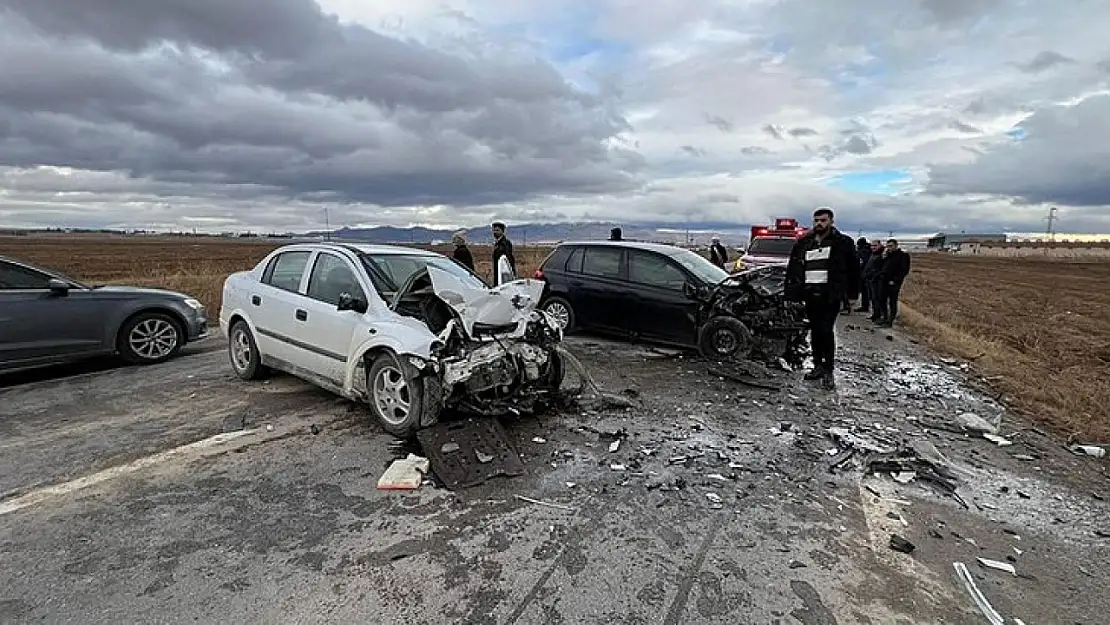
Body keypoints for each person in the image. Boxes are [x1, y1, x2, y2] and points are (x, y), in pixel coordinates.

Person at [785, 207, 861, 389]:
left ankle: (828, 370)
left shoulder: (843, 243)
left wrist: (852, 295)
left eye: (823, 220)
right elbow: (793, 269)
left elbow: (854, 270)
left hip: (830, 295)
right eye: (816, 220)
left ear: (831, 222)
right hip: (810, 295)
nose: (819, 223)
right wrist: (791, 294)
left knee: (826, 331)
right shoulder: (805, 242)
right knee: (815, 332)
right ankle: (817, 365)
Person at [876, 239, 911, 327]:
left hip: (893, 283)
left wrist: (895, 280)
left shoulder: (903, 256)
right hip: (883, 281)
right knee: (882, 300)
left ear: (896, 246)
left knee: (892, 302)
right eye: (888, 246)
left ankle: (890, 321)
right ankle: (884, 317)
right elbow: (881, 267)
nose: (889, 248)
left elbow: (904, 270)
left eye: (891, 246)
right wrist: (883, 258)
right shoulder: (887, 255)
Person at [863, 240, 886, 322]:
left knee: (877, 298)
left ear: (879, 246)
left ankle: (878, 315)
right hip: (870, 280)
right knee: (872, 298)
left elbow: (879, 269)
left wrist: (873, 276)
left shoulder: (881, 255)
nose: (873, 247)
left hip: (876, 281)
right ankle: (875, 314)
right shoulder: (873, 254)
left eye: (875, 245)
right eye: (872, 245)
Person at [855, 237, 872, 313]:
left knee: (865, 292)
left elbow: (861, 262)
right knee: (865, 292)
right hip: (866, 274)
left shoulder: (863, 251)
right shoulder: (869, 250)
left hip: (863, 274)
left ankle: (865, 307)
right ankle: (865, 306)